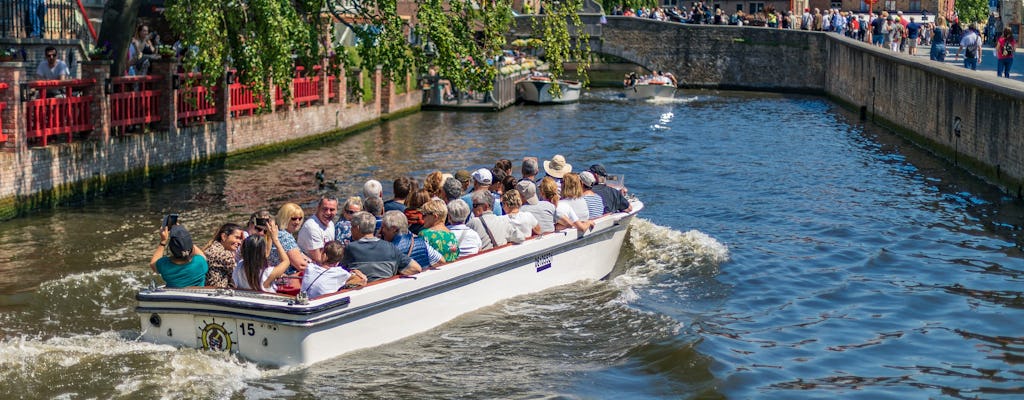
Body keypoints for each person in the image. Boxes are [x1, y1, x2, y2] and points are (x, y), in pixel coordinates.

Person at [342, 211, 421, 282]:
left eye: (352, 227)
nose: (351, 230)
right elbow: (416, 268)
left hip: (362, 292)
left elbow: (339, 272)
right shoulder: (390, 247)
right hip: (387, 289)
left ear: (357, 228)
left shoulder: (350, 248)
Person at [232, 222, 291, 293]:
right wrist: (275, 239)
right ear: (262, 252)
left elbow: (263, 254)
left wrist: (246, 243)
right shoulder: (268, 273)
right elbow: (286, 261)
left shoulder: (239, 266)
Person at [301, 241, 367, 298]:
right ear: (339, 261)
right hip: (322, 306)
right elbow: (363, 280)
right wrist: (357, 272)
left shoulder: (310, 268)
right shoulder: (341, 273)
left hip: (304, 301)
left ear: (323, 254)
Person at [201, 223, 245, 288]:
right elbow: (241, 275)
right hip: (219, 293)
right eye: (237, 238)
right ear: (224, 237)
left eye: (241, 239)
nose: (240, 242)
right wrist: (245, 247)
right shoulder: (223, 255)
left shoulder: (211, 248)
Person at [271, 202, 312, 272]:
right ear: (284, 218)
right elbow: (301, 265)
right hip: (288, 279)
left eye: (300, 218)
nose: (297, 222)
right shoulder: (284, 236)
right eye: (294, 218)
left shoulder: (281, 233)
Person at [297, 195, 337, 264]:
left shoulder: (331, 224)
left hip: (325, 264)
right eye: (325, 209)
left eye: (332, 210)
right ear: (318, 208)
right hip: (311, 267)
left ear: (336, 210)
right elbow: (318, 258)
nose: (328, 212)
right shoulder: (311, 227)